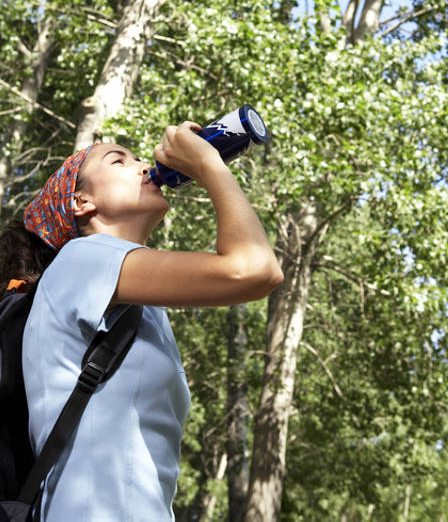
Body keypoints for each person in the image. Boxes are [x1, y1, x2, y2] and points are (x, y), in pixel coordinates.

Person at [0, 121, 284, 521]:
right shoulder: (83, 260)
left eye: (137, 158)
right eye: (119, 160)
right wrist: (210, 165)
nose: (141, 165)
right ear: (81, 202)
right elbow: (255, 270)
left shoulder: (136, 299)